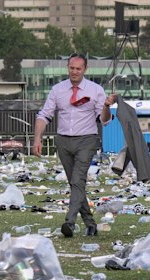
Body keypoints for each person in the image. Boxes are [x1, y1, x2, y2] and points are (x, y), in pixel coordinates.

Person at [33, 53, 116, 237]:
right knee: (75, 184)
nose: (74, 72)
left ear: (85, 70)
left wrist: (107, 106)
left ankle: (69, 223)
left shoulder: (95, 90)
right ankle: (90, 223)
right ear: (67, 68)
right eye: (72, 68)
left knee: (78, 181)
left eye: (78, 69)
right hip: (63, 140)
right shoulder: (58, 89)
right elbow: (44, 115)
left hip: (86, 139)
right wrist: (37, 138)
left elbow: (105, 120)